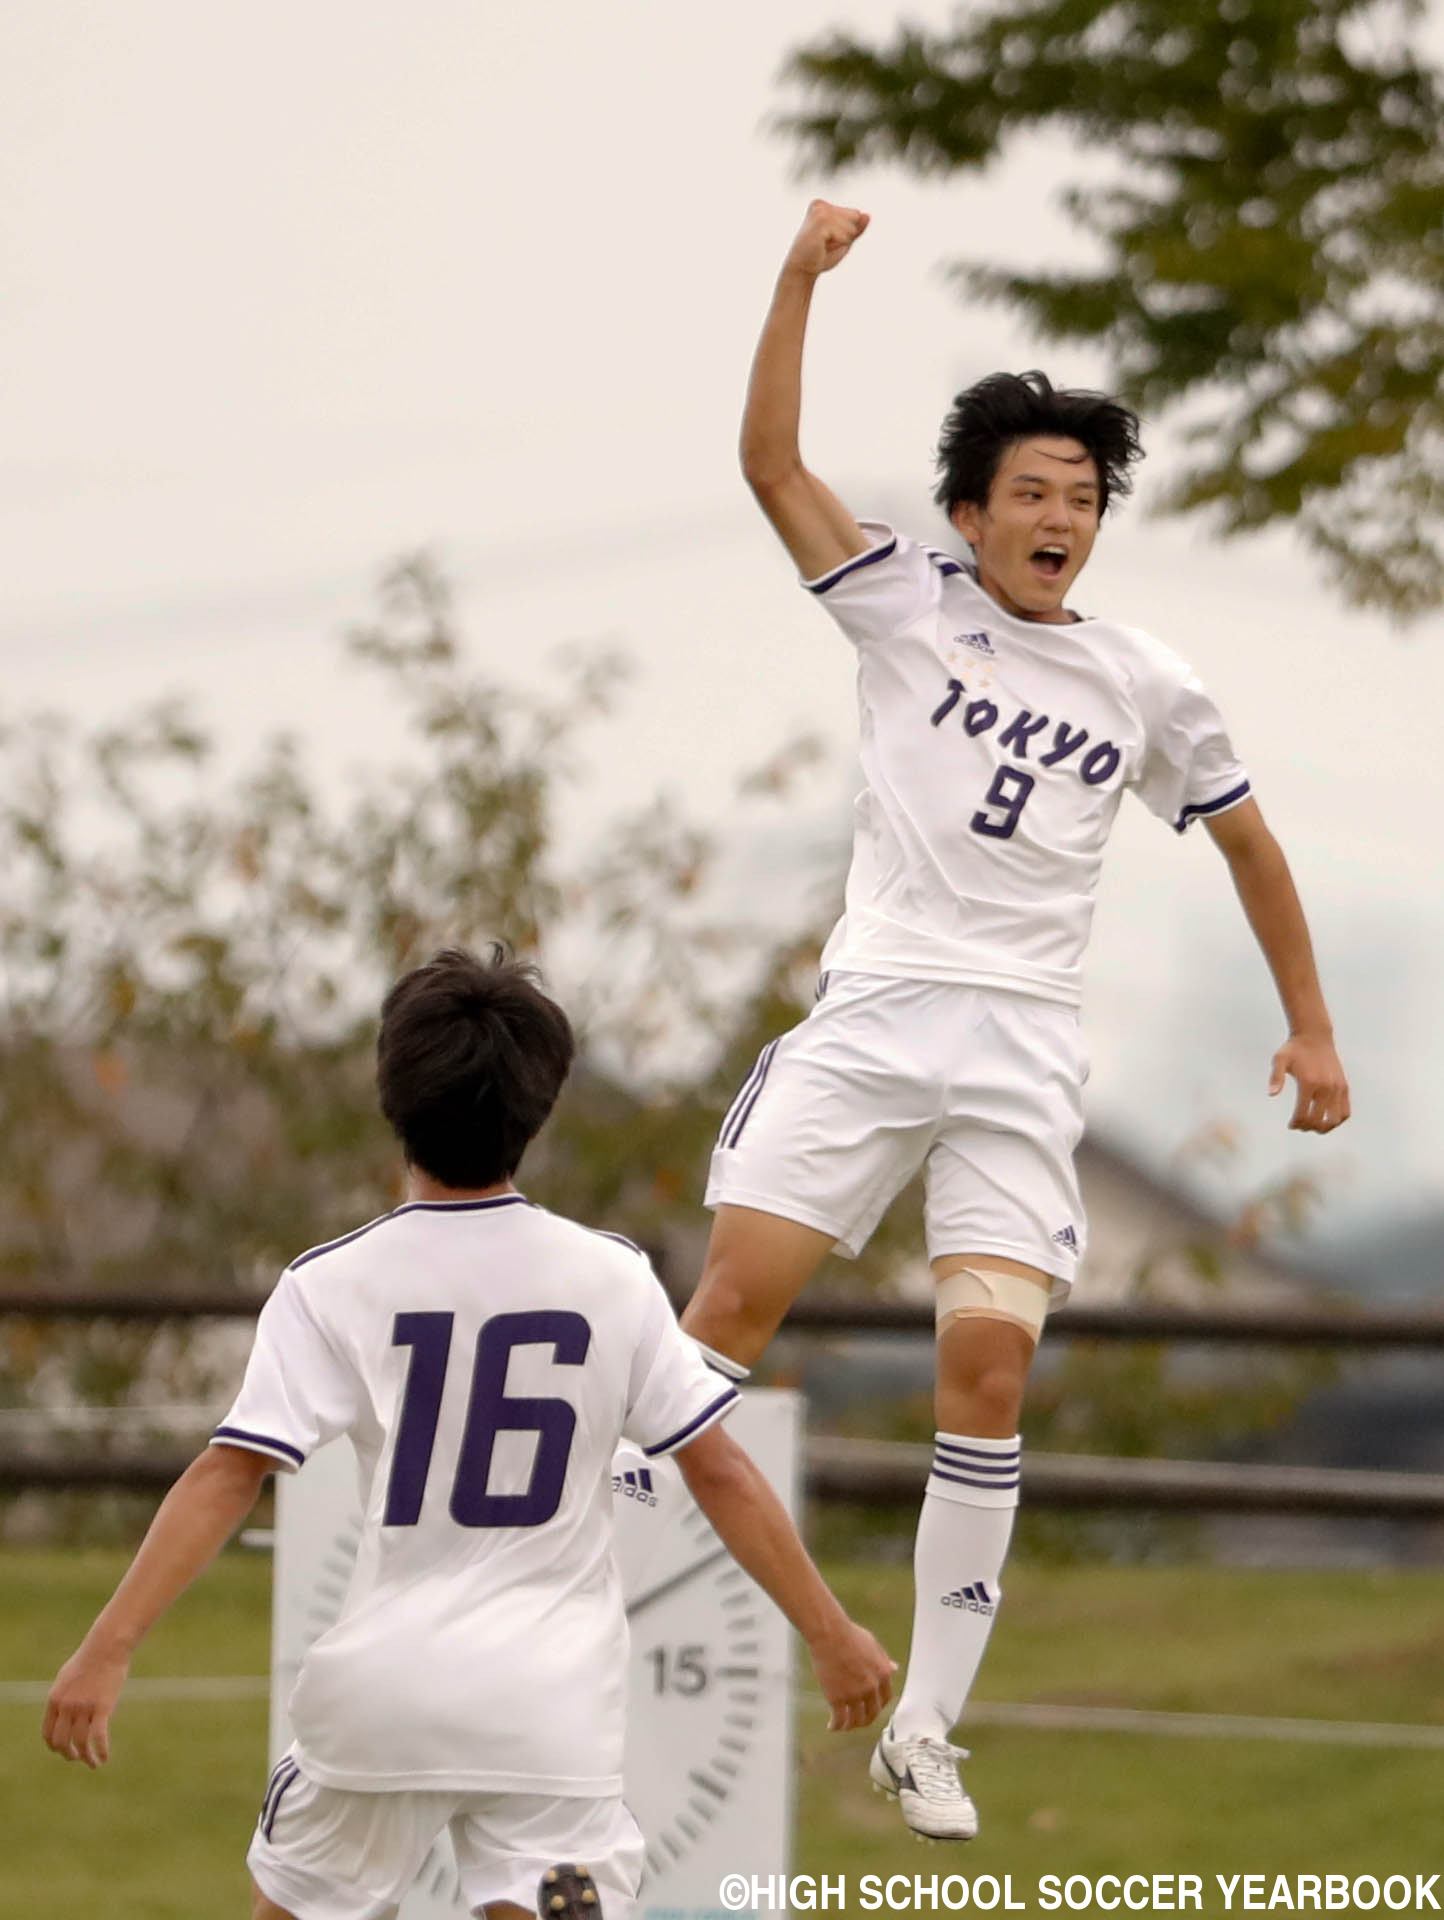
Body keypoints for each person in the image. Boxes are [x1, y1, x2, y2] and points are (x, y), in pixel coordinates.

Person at [681, 201, 1351, 1843]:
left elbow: (1250, 843)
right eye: (1029, 493)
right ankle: (539, 1572)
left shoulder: (1141, 680)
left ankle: (922, 1724)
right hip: (874, 1014)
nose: (1056, 516)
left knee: (984, 1372)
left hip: (1017, 1052)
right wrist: (793, 283)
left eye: (1079, 496)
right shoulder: (903, 599)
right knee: (718, 1326)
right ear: (968, 514)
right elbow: (769, 468)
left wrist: (1309, 1029)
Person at [44, 946, 894, 1920]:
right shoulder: (608, 1278)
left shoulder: (330, 1284)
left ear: (391, 1097)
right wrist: (832, 1636)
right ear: (538, 1107)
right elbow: (722, 1474)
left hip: (378, 1700)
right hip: (550, 1711)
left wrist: (107, 1649)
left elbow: (226, 1475)